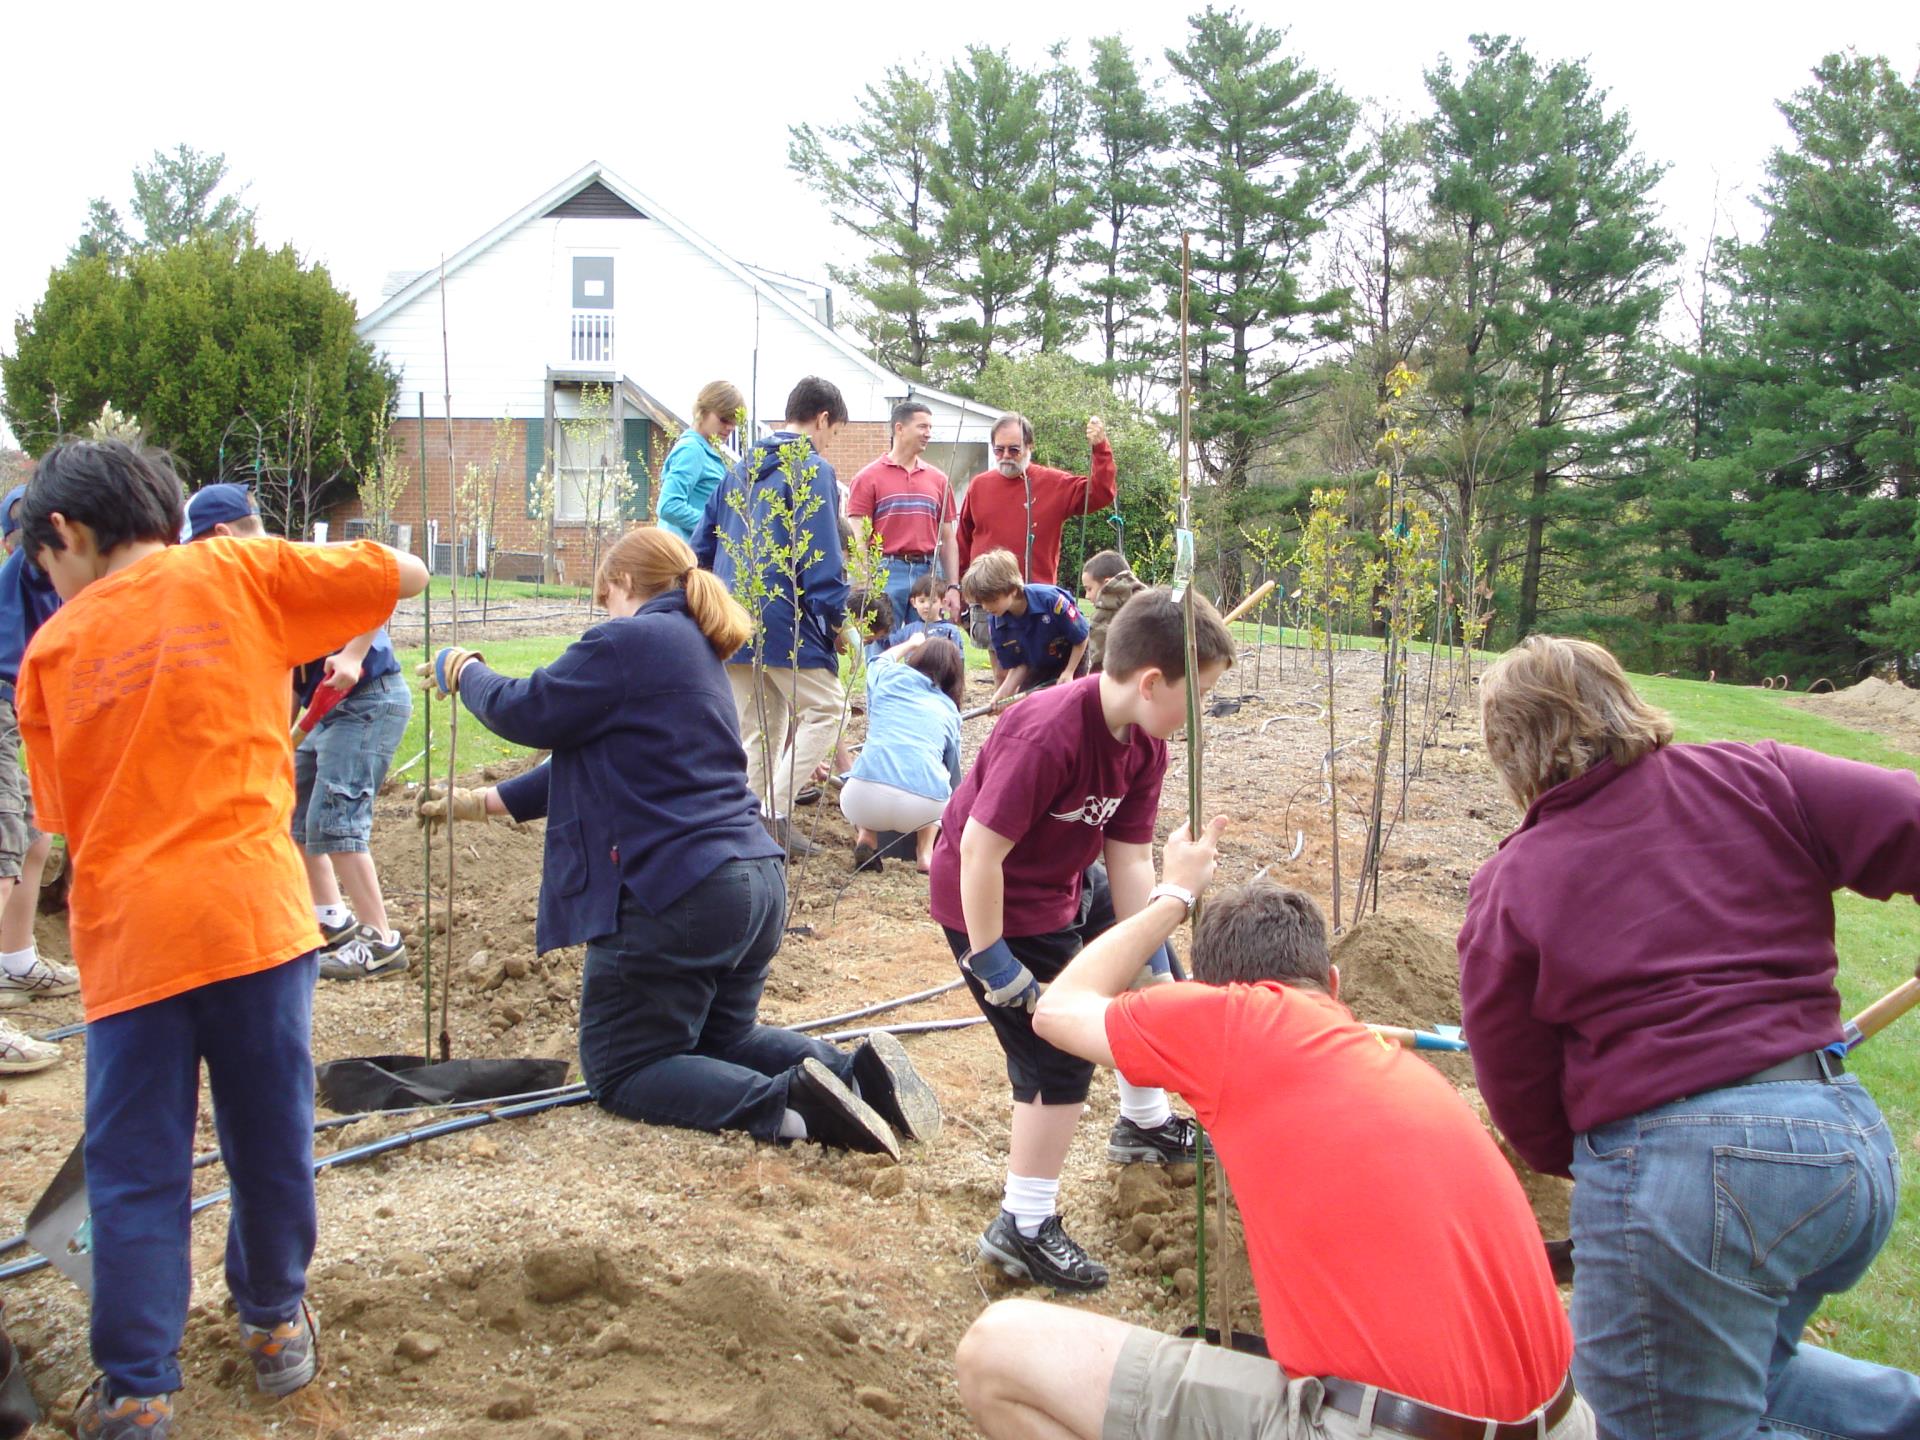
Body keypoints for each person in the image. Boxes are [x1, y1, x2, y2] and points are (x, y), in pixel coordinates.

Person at [16, 440, 428, 1439]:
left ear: (64, 534)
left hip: (132, 943)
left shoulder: (52, 654)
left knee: (137, 1166)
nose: (50, 583)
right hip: (255, 919)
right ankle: (275, 1326)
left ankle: (140, 1388)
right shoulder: (239, 568)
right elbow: (404, 574)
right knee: (271, 1136)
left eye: (45, 563)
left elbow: (62, 811)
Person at [955, 825, 1586, 1440]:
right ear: (1334, 985)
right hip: (1568, 1417)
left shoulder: (1234, 1023)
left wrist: (1173, 896)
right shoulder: (1397, 1072)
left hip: (1385, 1427)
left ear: (1206, 996)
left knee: (996, 1352)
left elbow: (1060, 1010)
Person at [1458, 635, 1920, 1440]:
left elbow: (1516, 1085)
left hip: (1692, 1190)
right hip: (1844, 1150)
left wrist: (1602, 1170)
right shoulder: (1760, 777)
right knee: (1755, 1375)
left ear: (1512, 753)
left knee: (1641, 1423)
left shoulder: (1517, 880)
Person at [416, 525, 939, 1159]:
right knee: (725, 1037)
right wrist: (486, 803)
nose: (601, 611)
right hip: (754, 878)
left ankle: (790, 1107)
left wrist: (463, 668)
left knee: (624, 1067)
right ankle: (855, 1076)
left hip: (684, 890)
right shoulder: (693, 649)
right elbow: (592, 758)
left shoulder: (627, 640)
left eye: (601, 596)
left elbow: (526, 710)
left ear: (623, 584)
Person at [929, 588, 1234, 1291]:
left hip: (1067, 884)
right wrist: (993, 957)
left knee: (1133, 985)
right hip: (995, 904)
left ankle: (1145, 1125)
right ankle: (1023, 1226)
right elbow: (979, 851)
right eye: (1198, 696)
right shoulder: (1049, 731)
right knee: (1056, 1051)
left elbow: (1127, 861)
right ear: (1152, 682)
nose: (1196, 718)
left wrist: (1150, 959)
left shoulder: (1145, 747)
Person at [183, 484, 413, 980]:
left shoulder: (296, 565)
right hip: (327, 710)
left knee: (338, 821)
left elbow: (384, 585)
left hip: (369, 700)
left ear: (222, 536)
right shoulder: (254, 587)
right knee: (294, 814)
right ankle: (332, 920)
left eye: (197, 552)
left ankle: (383, 941)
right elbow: (287, 684)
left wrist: (353, 654)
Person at [694, 377, 851, 859]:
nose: (829, 443)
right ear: (822, 419)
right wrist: (837, 618)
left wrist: (715, 608)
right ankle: (775, 814)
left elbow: (701, 550)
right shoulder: (810, 468)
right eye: (833, 432)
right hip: (786, 619)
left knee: (759, 727)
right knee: (830, 708)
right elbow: (822, 553)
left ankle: (745, 826)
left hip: (732, 620)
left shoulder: (736, 471)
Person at [0, 484, 74, 1068]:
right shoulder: (30, 568)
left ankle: (17, 961)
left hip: (18, 706)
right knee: (3, 843)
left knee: (33, 833)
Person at [956, 413, 1116, 653]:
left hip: (1036, 597)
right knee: (1000, 665)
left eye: (1014, 450)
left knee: (1038, 667)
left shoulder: (1055, 483)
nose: (1006, 457)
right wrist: (960, 591)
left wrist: (1100, 449)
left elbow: (1100, 493)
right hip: (987, 596)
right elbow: (963, 540)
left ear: (1030, 446)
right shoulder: (979, 486)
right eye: (999, 450)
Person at [842, 633, 964, 875]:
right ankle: (925, 854)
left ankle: (866, 838)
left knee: (875, 762)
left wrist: (912, 642)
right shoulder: (949, 710)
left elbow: (878, 660)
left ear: (916, 658)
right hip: (921, 809)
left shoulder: (889, 677)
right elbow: (953, 770)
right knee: (936, 776)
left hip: (861, 801)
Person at [846, 400, 960, 626]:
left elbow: (948, 539)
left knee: (925, 652)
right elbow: (857, 537)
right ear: (899, 428)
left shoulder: (939, 480)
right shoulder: (867, 478)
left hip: (928, 573)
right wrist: (862, 584)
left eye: (930, 428)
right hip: (885, 574)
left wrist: (953, 586)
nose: (928, 433)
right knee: (884, 648)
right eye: (922, 427)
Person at [963, 548, 1089, 703]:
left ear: (1013, 590)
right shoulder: (997, 623)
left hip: (1071, 658)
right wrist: (1002, 695)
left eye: (991, 600)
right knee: (1028, 708)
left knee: (1066, 706)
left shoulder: (1052, 601)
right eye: (981, 601)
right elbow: (1019, 665)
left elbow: (1081, 636)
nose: (985, 607)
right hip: (1037, 664)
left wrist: (1069, 672)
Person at [656, 381, 745, 543]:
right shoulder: (692, 450)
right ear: (702, 411)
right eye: (724, 419)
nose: (730, 427)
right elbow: (668, 506)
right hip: (683, 556)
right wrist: (715, 526)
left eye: (734, 422)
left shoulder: (706, 450)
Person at [1079, 549, 1143, 675]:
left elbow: (1098, 667)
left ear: (1107, 585)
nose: (1087, 596)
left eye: (1089, 589)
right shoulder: (1147, 601)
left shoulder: (1102, 617)